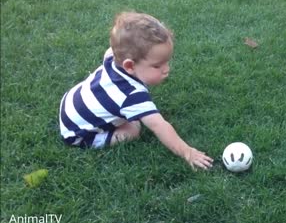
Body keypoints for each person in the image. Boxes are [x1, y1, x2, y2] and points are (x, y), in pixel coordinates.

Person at [59, 12, 213, 170]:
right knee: (133, 129)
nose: (167, 69)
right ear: (130, 66)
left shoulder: (112, 56)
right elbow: (159, 126)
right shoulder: (132, 96)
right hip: (76, 133)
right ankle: (98, 137)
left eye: (167, 61)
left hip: (69, 102)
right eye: (157, 65)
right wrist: (188, 152)